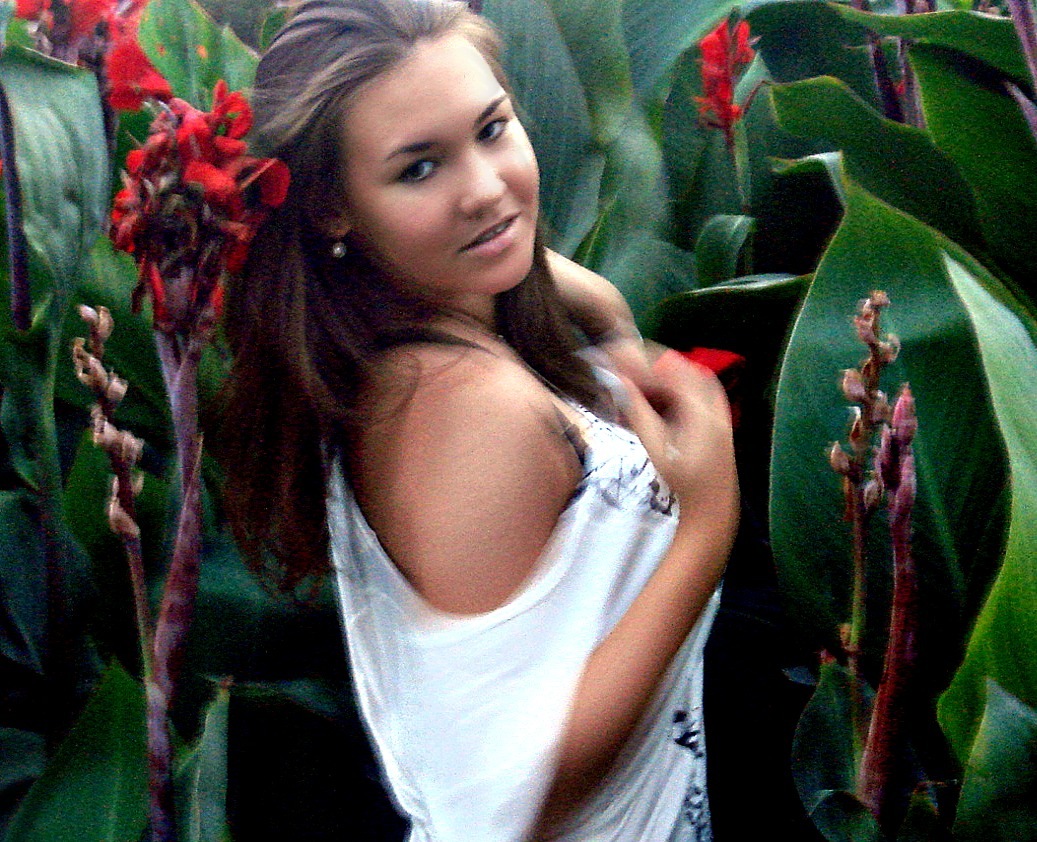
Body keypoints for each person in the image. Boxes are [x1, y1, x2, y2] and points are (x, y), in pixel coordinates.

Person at [218, 0, 738, 839]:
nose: (487, 188)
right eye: (419, 168)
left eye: (492, 129)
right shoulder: (465, 412)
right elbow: (506, 801)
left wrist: (606, 318)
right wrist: (706, 526)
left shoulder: (405, 330)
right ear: (330, 207)